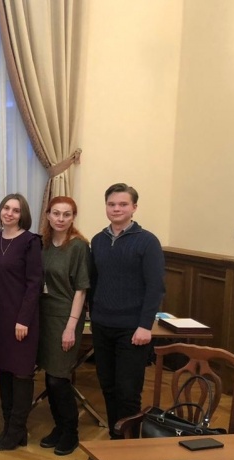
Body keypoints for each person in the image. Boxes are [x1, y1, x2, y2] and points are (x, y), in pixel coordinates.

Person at [90, 183, 164, 439]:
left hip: (132, 330)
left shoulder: (147, 241)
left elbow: (155, 287)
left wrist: (145, 325)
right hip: (101, 325)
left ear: (134, 207)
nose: (116, 209)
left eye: (123, 204)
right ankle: (115, 439)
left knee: (128, 391)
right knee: (108, 387)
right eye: (111, 204)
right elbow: (95, 282)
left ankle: (129, 445)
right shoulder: (98, 240)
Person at [0, 193, 43, 451]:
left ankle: (17, 429)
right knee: (4, 370)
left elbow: (34, 284)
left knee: (21, 373)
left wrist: (24, 319)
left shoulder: (31, 241)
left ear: (23, 215)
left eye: (16, 210)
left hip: (22, 318)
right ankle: (10, 427)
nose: (9, 213)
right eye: (6, 208)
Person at [38, 196, 90, 456]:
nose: (60, 219)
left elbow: (81, 290)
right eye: (56, 213)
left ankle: (71, 431)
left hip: (66, 317)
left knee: (59, 378)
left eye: (66, 214)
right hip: (44, 316)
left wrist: (71, 327)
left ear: (73, 217)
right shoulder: (44, 244)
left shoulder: (78, 246)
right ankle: (59, 427)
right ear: (48, 215)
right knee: (49, 376)